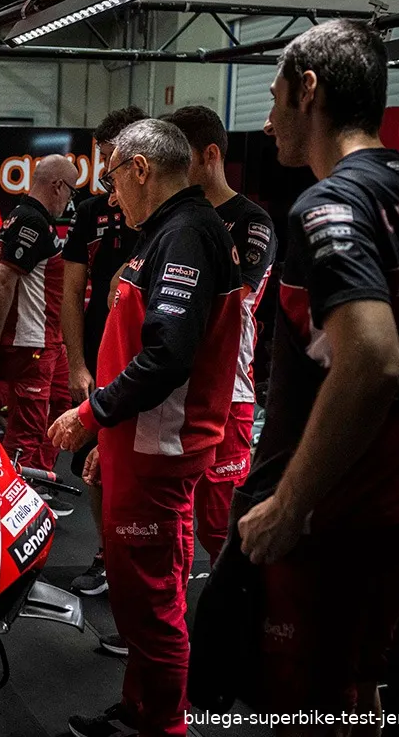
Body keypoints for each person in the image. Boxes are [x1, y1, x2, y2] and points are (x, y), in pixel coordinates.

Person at [236, 19, 399, 734]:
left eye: (273, 99)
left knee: (303, 706)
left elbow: (372, 361)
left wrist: (291, 503)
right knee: (359, 689)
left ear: (309, 90)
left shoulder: (326, 204)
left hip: (341, 510)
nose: (266, 123)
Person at [48, 119, 243, 737]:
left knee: (152, 606)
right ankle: (140, 709)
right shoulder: (171, 229)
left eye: (112, 178)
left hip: (159, 445)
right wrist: (110, 434)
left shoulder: (185, 234)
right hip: (142, 440)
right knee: (144, 595)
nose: (108, 194)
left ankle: (164, 726)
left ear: (140, 170)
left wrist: (90, 415)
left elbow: (167, 358)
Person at [163, 105, 277, 562]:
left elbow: (231, 299)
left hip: (228, 392)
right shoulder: (173, 219)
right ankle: (180, 629)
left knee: (219, 524)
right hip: (173, 389)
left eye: (181, 156)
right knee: (173, 515)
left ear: (210, 154)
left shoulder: (253, 222)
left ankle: (249, 623)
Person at [61, 106, 147, 605]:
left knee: (134, 466)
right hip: (98, 355)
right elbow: (73, 294)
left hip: (144, 358)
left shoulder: (170, 218)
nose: (108, 171)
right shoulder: (93, 211)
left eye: (114, 159)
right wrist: (77, 364)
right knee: (89, 464)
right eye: (104, 159)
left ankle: (138, 562)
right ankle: (107, 553)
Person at [0, 155, 76, 483]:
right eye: (71, 192)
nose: (70, 201)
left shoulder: (30, 218)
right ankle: (9, 494)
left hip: (50, 339)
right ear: (58, 186)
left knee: (64, 405)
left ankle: (40, 480)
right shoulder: (31, 221)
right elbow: (3, 281)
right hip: (31, 341)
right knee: (28, 429)